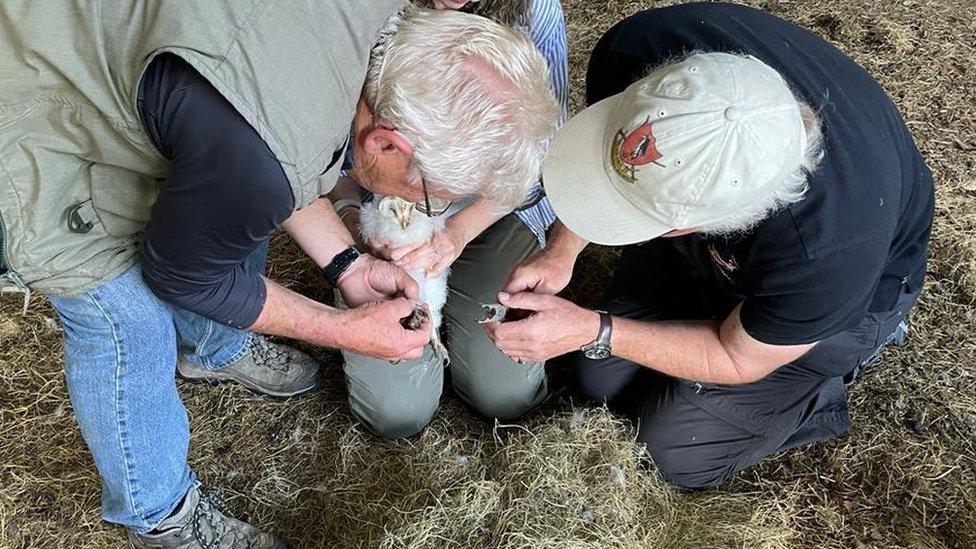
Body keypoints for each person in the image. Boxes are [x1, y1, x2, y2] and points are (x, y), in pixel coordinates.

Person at [0, 3, 557, 546]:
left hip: (139, 57)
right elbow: (185, 273)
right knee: (126, 320)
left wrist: (349, 265)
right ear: (386, 142)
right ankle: (158, 512)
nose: (429, 207)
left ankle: (214, 348)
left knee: (228, 214)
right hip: (35, 101)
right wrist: (340, 329)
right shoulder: (269, 151)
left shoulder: (376, 34)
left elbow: (264, 164)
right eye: (434, 193)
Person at [486, 2, 935, 490]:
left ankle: (821, 378)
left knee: (670, 450)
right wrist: (562, 250)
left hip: (840, 299)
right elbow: (614, 163)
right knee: (597, 381)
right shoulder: (642, 48)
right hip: (717, 253)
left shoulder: (826, 252)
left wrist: (595, 329)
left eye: (637, 216)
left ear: (709, 222)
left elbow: (735, 356)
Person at [328, 0, 566, 439]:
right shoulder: (347, 17)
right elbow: (328, 163)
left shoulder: (534, 10)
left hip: (492, 203)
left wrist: (456, 231)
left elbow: (537, 154)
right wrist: (351, 227)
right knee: (397, 413)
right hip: (380, 197)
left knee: (503, 395)